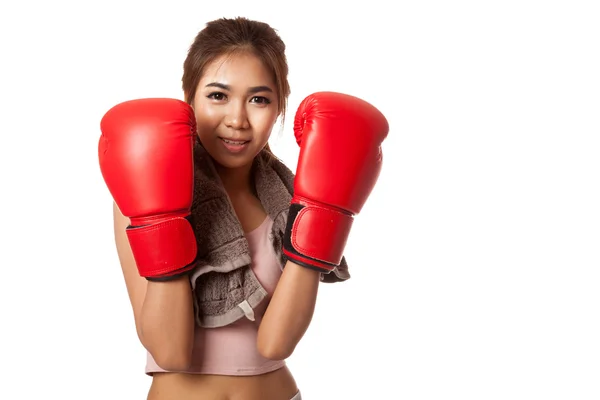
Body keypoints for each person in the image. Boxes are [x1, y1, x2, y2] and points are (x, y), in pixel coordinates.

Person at [98, 16, 388, 400]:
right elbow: (169, 350)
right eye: (218, 96)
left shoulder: (291, 200)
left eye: (258, 99)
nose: (237, 120)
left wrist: (323, 214)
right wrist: (164, 218)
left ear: (280, 107)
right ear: (189, 101)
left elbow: (275, 344)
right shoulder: (138, 189)